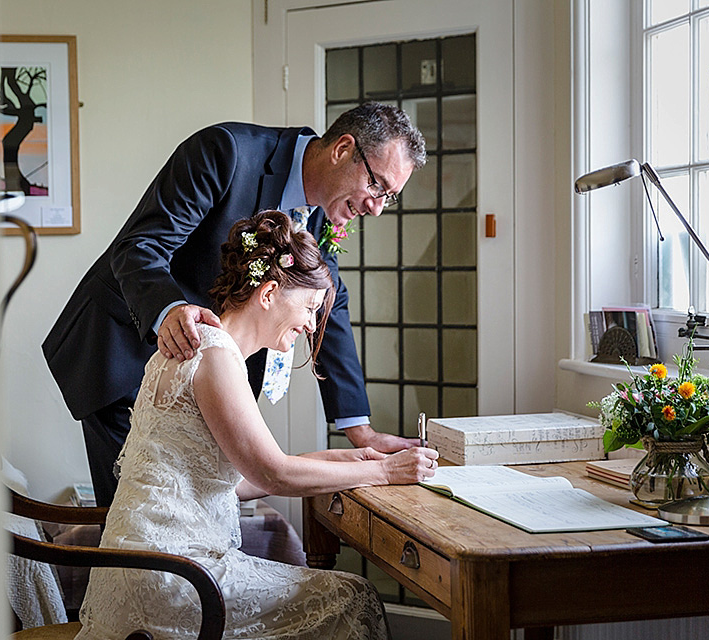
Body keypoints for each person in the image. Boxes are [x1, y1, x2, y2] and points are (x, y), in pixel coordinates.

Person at [43, 102, 428, 509]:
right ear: (343, 149)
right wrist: (170, 309)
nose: (376, 207)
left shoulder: (320, 211)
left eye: (389, 197)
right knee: (137, 514)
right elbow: (140, 246)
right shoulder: (225, 152)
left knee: (193, 501)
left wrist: (358, 428)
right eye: (377, 186)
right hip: (121, 355)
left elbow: (330, 301)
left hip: (203, 374)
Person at [75, 211, 439, 640]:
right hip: (176, 576)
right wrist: (384, 471)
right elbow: (272, 473)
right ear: (268, 293)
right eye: (308, 308)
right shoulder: (215, 357)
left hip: (142, 567)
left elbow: (232, 480)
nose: (309, 325)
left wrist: (349, 457)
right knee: (352, 595)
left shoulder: (198, 346)